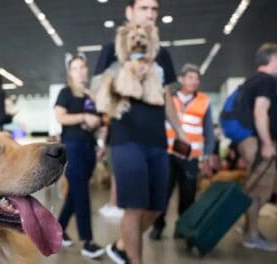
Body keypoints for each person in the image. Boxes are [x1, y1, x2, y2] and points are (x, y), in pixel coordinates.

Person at [94, 1, 186, 263]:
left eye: (154, 9)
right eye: (144, 8)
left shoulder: (162, 54)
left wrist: (179, 131)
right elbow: (101, 94)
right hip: (125, 140)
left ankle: (122, 246)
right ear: (129, 11)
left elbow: (167, 96)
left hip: (158, 139)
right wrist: (129, 73)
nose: (150, 14)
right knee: (134, 208)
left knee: (157, 208)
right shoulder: (112, 50)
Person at [150, 64, 214, 240]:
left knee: (188, 195)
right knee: (163, 193)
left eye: (197, 78)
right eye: (191, 77)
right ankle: (158, 225)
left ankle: (182, 227)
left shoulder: (204, 101)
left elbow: (208, 131)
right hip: (168, 154)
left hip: (191, 156)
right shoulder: (169, 98)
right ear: (181, 79)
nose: (194, 81)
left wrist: (206, 156)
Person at [237, 43, 277, 252]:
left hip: (250, 140)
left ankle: (250, 229)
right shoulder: (266, 80)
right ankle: (252, 235)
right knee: (258, 191)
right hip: (258, 142)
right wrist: (267, 143)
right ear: (273, 59)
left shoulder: (252, 80)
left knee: (260, 187)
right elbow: (260, 112)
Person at [55, 55, 105, 259]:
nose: (80, 71)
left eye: (83, 67)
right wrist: (83, 117)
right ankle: (88, 241)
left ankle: (58, 228)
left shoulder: (92, 95)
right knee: (82, 192)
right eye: (75, 68)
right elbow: (60, 117)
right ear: (70, 73)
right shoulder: (65, 93)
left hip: (89, 147)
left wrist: (97, 127)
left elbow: (102, 119)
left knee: (76, 193)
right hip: (72, 146)